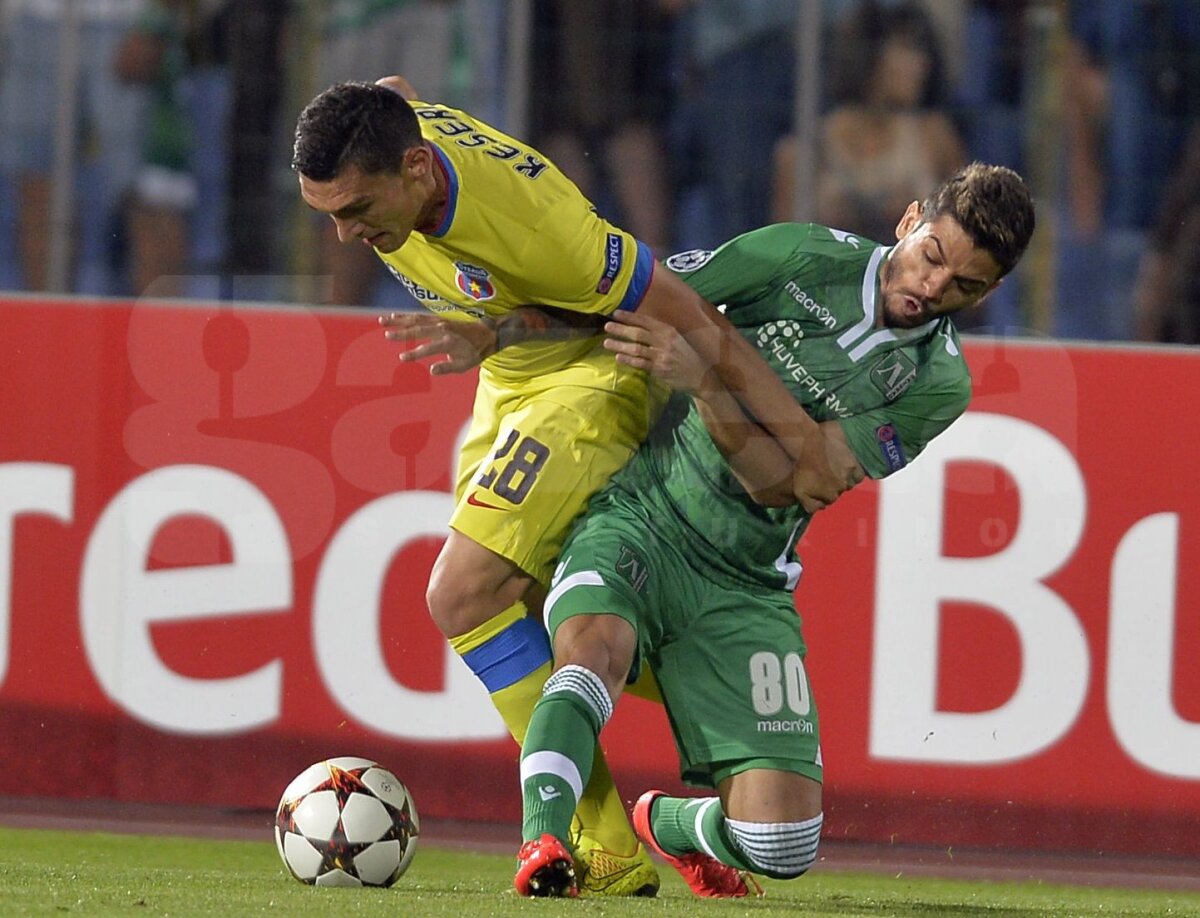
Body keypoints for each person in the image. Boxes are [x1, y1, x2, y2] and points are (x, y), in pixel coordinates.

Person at [291, 76, 845, 897]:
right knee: (543, 605)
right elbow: (395, 91)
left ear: (414, 168)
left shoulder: (539, 230)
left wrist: (798, 446)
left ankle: (603, 845)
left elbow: (689, 317)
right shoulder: (397, 134)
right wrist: (495, 339)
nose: (342, 235)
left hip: (588, 383)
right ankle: (708, 677)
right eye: (326, 213)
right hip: (509, 380)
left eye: (354, 209)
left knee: (464, 591)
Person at [510, 162, 1035, 897]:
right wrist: (496, 327)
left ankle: (664, 824)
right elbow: (657, 295)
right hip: (640, 515)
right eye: (933, 257)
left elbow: (801, 477)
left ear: (993, 292)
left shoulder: (940, 383)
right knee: (593, 653)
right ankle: (543, 840)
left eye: (965, 287)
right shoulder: (799, 255)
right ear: (909, 220)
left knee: (781, 843)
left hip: (747, 582)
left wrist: (709, 365)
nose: (932, 290)